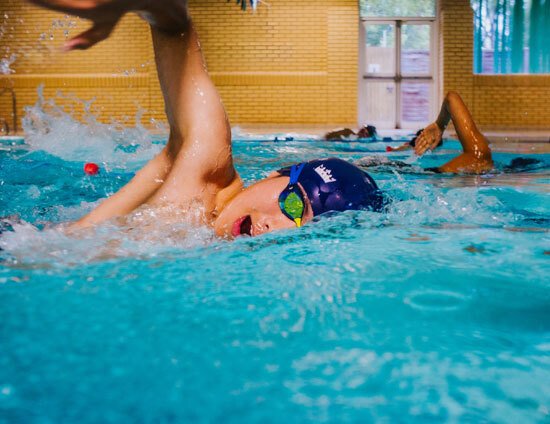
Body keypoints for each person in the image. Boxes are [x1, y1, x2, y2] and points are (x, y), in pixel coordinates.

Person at [27, 0, 493, 239]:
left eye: (302, 221)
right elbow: (174, 22)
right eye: (291, 201)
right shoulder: (205, 167)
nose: (273, 224)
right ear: (275, 173)